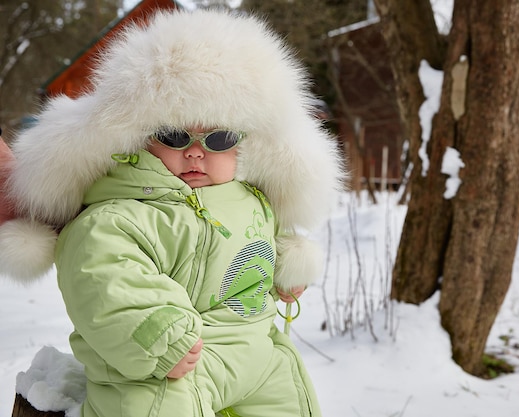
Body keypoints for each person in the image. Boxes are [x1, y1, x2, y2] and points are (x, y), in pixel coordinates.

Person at [1, 9, 344, 417]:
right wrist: (159, 337)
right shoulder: (118, 215)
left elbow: (252, 254)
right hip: (164, 365)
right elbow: (104, 280)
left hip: (254, 354)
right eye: (174, 135)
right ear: (141, 138)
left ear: (244, 145)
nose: (196, 151)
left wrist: (283, 268)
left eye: (218, 137)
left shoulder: (252, 200)